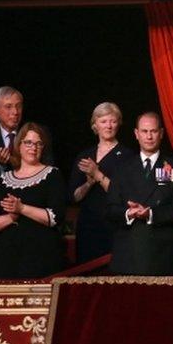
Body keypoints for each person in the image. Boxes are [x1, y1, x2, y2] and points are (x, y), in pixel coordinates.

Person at [106, 112, 173, 276]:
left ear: (162, 133)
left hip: (160, 254)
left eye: (153, 131)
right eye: (144, 131)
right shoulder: (121, 169)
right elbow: (110, 209)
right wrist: (129, 212)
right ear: (136, 134)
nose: (149, 136)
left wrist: (150, 213)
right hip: (128, 254)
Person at [0, 122, 65, 279]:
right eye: (28, 142)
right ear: (18, 145)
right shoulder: (3, 180)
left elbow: (55, 217)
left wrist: (21, 208)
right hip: (8, 261)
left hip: (42, 260)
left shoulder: (52, 175)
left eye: (38, 143)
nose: (33, 148)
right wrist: (10, 217)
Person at [68, 102, 134, 264]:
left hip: (114, 226)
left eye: (112, 121)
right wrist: (89, 183)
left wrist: (97, 174)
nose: (108, 126)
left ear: (119, 123)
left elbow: (124, 195)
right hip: (88, 226)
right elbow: (74, 197)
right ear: (95, 124)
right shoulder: (85, 155)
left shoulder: (128, 156)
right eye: (104, 121)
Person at [0, 86, 53, 171]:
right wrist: (1, 166)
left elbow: (47, 168)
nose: (15, 112)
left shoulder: (38, 133)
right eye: (8, 107)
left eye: (18, 106)